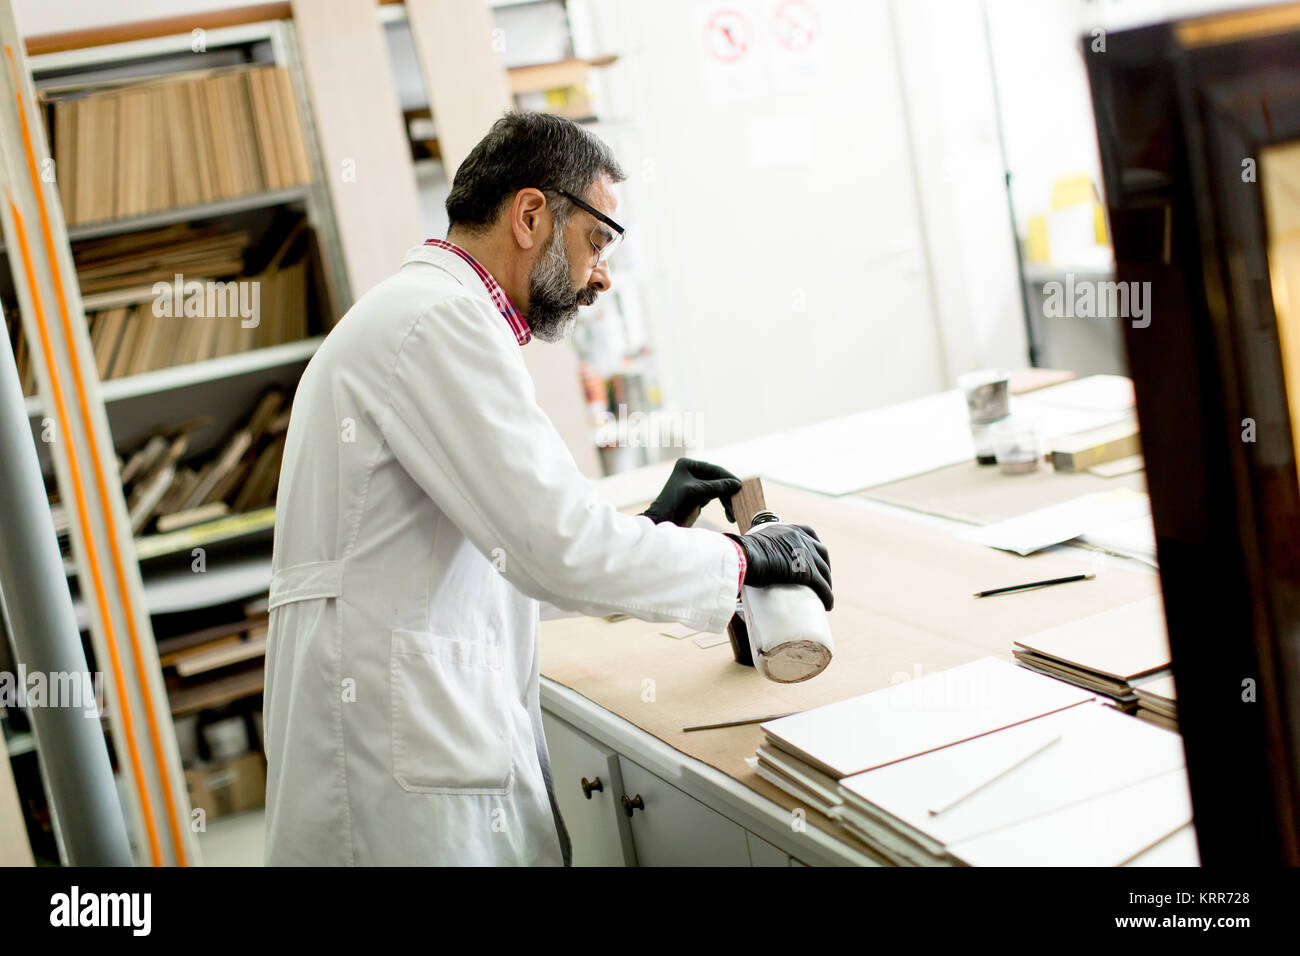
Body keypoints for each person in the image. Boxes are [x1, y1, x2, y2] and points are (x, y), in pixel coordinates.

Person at [262, 112, 832, 865]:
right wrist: (743, 561)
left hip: (394, 738)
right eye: (598, 242)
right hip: (390, 783)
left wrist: (653, 525)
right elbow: (552, 549)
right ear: (531, 214)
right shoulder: (438, 324)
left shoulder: (429, 316)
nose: (601, 276)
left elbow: (505, 550)